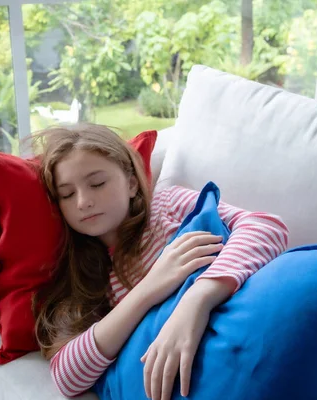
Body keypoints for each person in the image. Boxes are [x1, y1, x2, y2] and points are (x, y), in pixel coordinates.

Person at [31, 123, 289, 400]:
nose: (83, 202)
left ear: (131, 183)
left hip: (247, 326)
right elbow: (67, 378)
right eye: (67, 194)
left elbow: (266, 226)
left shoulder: (165, 205)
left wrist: (196, 301)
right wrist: (150, 287)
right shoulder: (88, 282)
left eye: (97, 183)